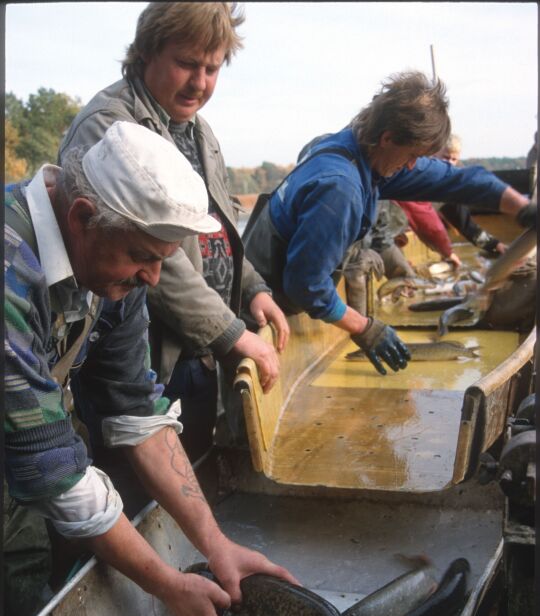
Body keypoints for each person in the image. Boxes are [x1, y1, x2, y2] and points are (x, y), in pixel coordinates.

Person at [4, 120, 296, 616]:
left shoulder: (114, 265)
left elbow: (136, 411)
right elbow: (47, 466)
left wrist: (215, 544)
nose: (153, 278)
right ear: (83, 217)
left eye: (162, 260)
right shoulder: (10, 266)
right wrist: (168, 584)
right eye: (143, 257)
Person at [59, 2, 289, 461]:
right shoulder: (108, 127)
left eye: (212, 68)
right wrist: (230, 334)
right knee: (139, 482)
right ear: (146, 52)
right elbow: (151, 257)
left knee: (196, 464)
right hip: (142, 358)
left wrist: (253, 290)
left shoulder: (201, 134)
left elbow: (217, 229)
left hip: (197, 353)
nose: (200, 83)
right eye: (186, 63)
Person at [244, 72, 535, 376]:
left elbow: (453, 179)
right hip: (258, 311)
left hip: (281, 296)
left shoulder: (358, 147)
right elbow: (306, 284)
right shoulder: (340, 188)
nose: (412, 165)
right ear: (388, 138)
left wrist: (523, 209)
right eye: (411, 156)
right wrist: (364, 327)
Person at [435, 135, 507, 256]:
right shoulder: (415, 170)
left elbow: (467, 226)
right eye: (445, 157)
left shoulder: (450, 188)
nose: (449, 164)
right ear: (434, 153)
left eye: (453, 159)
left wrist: (494, 245)